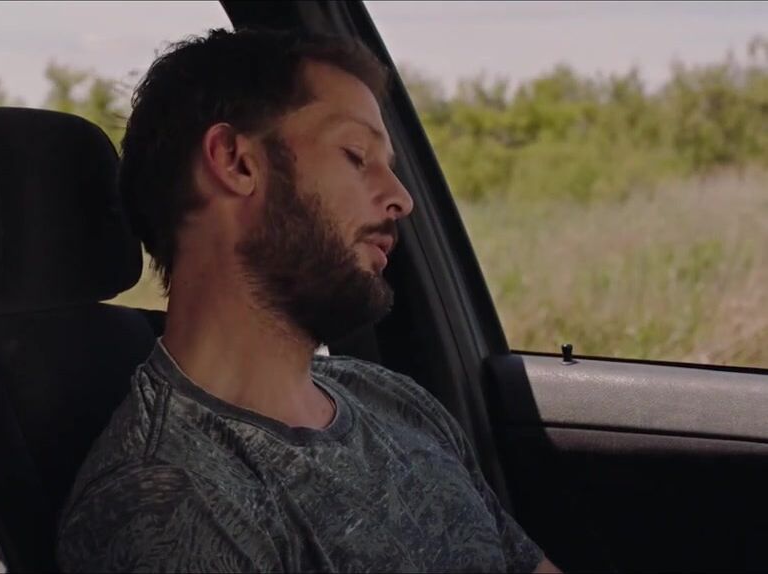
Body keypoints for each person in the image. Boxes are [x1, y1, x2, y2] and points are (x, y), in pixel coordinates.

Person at [56, 29, 561, 573]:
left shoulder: (390, 399)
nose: (402, 198)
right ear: (236, 162)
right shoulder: (167, 501)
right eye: (356, 155)